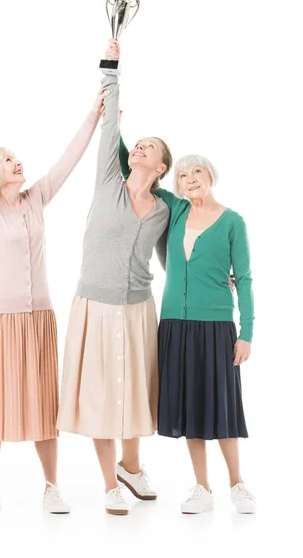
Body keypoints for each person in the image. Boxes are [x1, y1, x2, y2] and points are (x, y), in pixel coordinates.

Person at [0, 89, 107, 515]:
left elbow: (69, 160)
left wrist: (93, 114)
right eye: (10, 160)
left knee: (43, 404)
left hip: (38, 320)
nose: (19, 162)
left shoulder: (36, 198)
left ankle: (52, 486)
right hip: (0, 320)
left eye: (18, 158)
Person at [57, 39, 172, 516]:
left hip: (140, 306)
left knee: (134, 391)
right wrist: (112, 65)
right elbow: (111, 122)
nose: (139, 145)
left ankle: (131, 465)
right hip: (96, 304)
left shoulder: (166, 210)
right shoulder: (109, 178)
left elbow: (177, 257)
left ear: (162, 167)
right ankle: (110, 484)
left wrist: (219, 281)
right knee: (104, 394)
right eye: (138, 143)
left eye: (150, 146)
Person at [118, 142, 256, 514]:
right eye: (182, 174)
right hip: (175, 326)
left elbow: (243, 279)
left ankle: (237, 484)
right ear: (174, 183)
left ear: (210, 177)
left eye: (197, 172)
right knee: (194, 409)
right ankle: (202, 488)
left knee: (223, 409)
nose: (190, 179)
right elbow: (131, 166)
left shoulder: (232, 221)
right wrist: (113, 118)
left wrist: (247, 332)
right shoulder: (174, 210)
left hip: (216, 326)